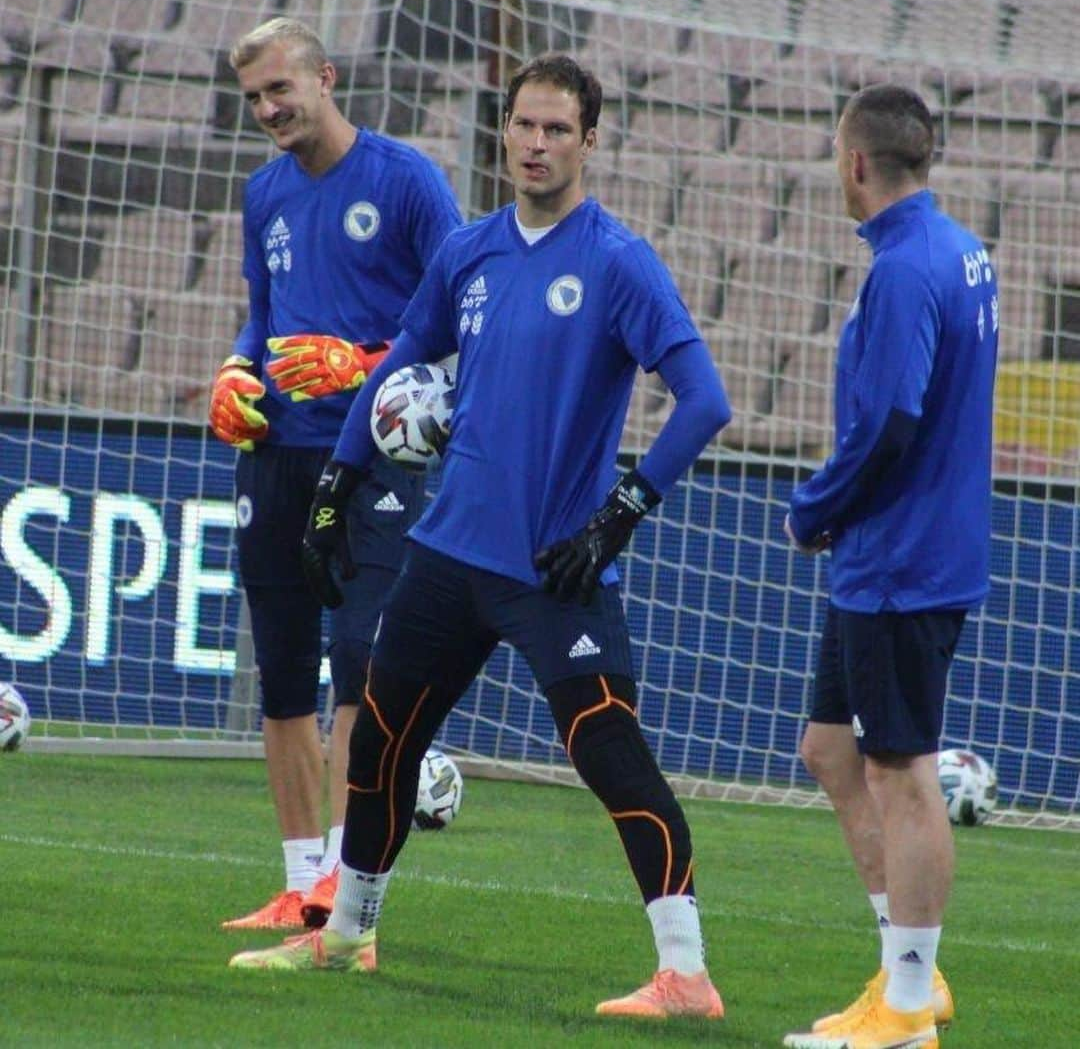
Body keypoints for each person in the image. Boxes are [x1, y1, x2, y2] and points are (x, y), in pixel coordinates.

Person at [229, 53, 732, 1020]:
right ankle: (346, 935)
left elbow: (705, 401)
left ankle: (687, 977)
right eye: (523, 127)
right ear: (503, 131)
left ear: (591, 140)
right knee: (381, 742)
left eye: (557, 130)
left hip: (553, 565)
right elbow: (399, 366)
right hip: (448, 551)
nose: (536, 146)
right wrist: (338, 483)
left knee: (607, 750)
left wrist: (621, 513)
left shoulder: (618, 261)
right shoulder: (471, 250)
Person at [208, 17, 462, 931]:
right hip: (274, 452)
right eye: (253, 100)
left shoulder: (406, 182)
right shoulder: (264, 193)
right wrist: (237, 370)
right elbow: (260, 315)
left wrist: (365, 365)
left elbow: (466, 316)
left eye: (280, 89)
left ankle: (344, 895)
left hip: (374, 458)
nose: (269, 110)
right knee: (281, 674)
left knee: (360, 671)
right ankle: (296, 880)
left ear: (325, 76)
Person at [781, 84, 998, 1049]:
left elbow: (892, 423)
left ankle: (909, 1008)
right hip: (895, 557)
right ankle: (903, 973)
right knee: (831, 753)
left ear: (856, 162)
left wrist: (816, 509)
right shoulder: (959, 249)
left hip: (900, 561)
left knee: (902, 773)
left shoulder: (907, 269)